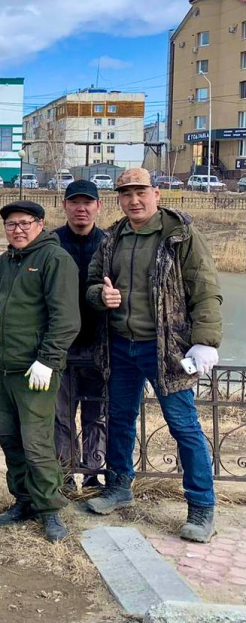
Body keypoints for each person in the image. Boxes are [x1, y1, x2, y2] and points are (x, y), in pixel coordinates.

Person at [84, 168, 222, 543]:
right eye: (126, 193)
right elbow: (93, 283)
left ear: (156, 193)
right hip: (120, 345)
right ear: (119, 199)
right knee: (120, 420)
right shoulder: (112, 238)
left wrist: (206, 340)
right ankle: (118, 487)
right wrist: (101, 296)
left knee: (184, 426)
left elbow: (206, 290)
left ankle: (201, 507)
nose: (134, 199)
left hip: (167, 349)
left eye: (140, 191)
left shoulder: (181, 235)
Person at [0, 200, 80, 542]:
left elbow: (66, 319)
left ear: (40, 224)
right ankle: (23, 500)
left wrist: (47, 359)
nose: (18, 229)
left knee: (36, 441)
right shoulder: (4, 262)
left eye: (25, 223)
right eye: (11, 224)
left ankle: (50, 509)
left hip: (36, 371)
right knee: (9, 438)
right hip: (3, 368)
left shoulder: (55, 260)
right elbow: (2, 307)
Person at [53, 180, 107, 488]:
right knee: (60, 416)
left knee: (95, 415)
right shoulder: (51, 243)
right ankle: (63, 474)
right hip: (61, 347)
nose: (81, 208)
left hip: (99, 346)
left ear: (98, 206)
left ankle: (93, 474)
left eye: (88, 202)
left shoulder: (110, 243)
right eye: (75, 202)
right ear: (65, 206)